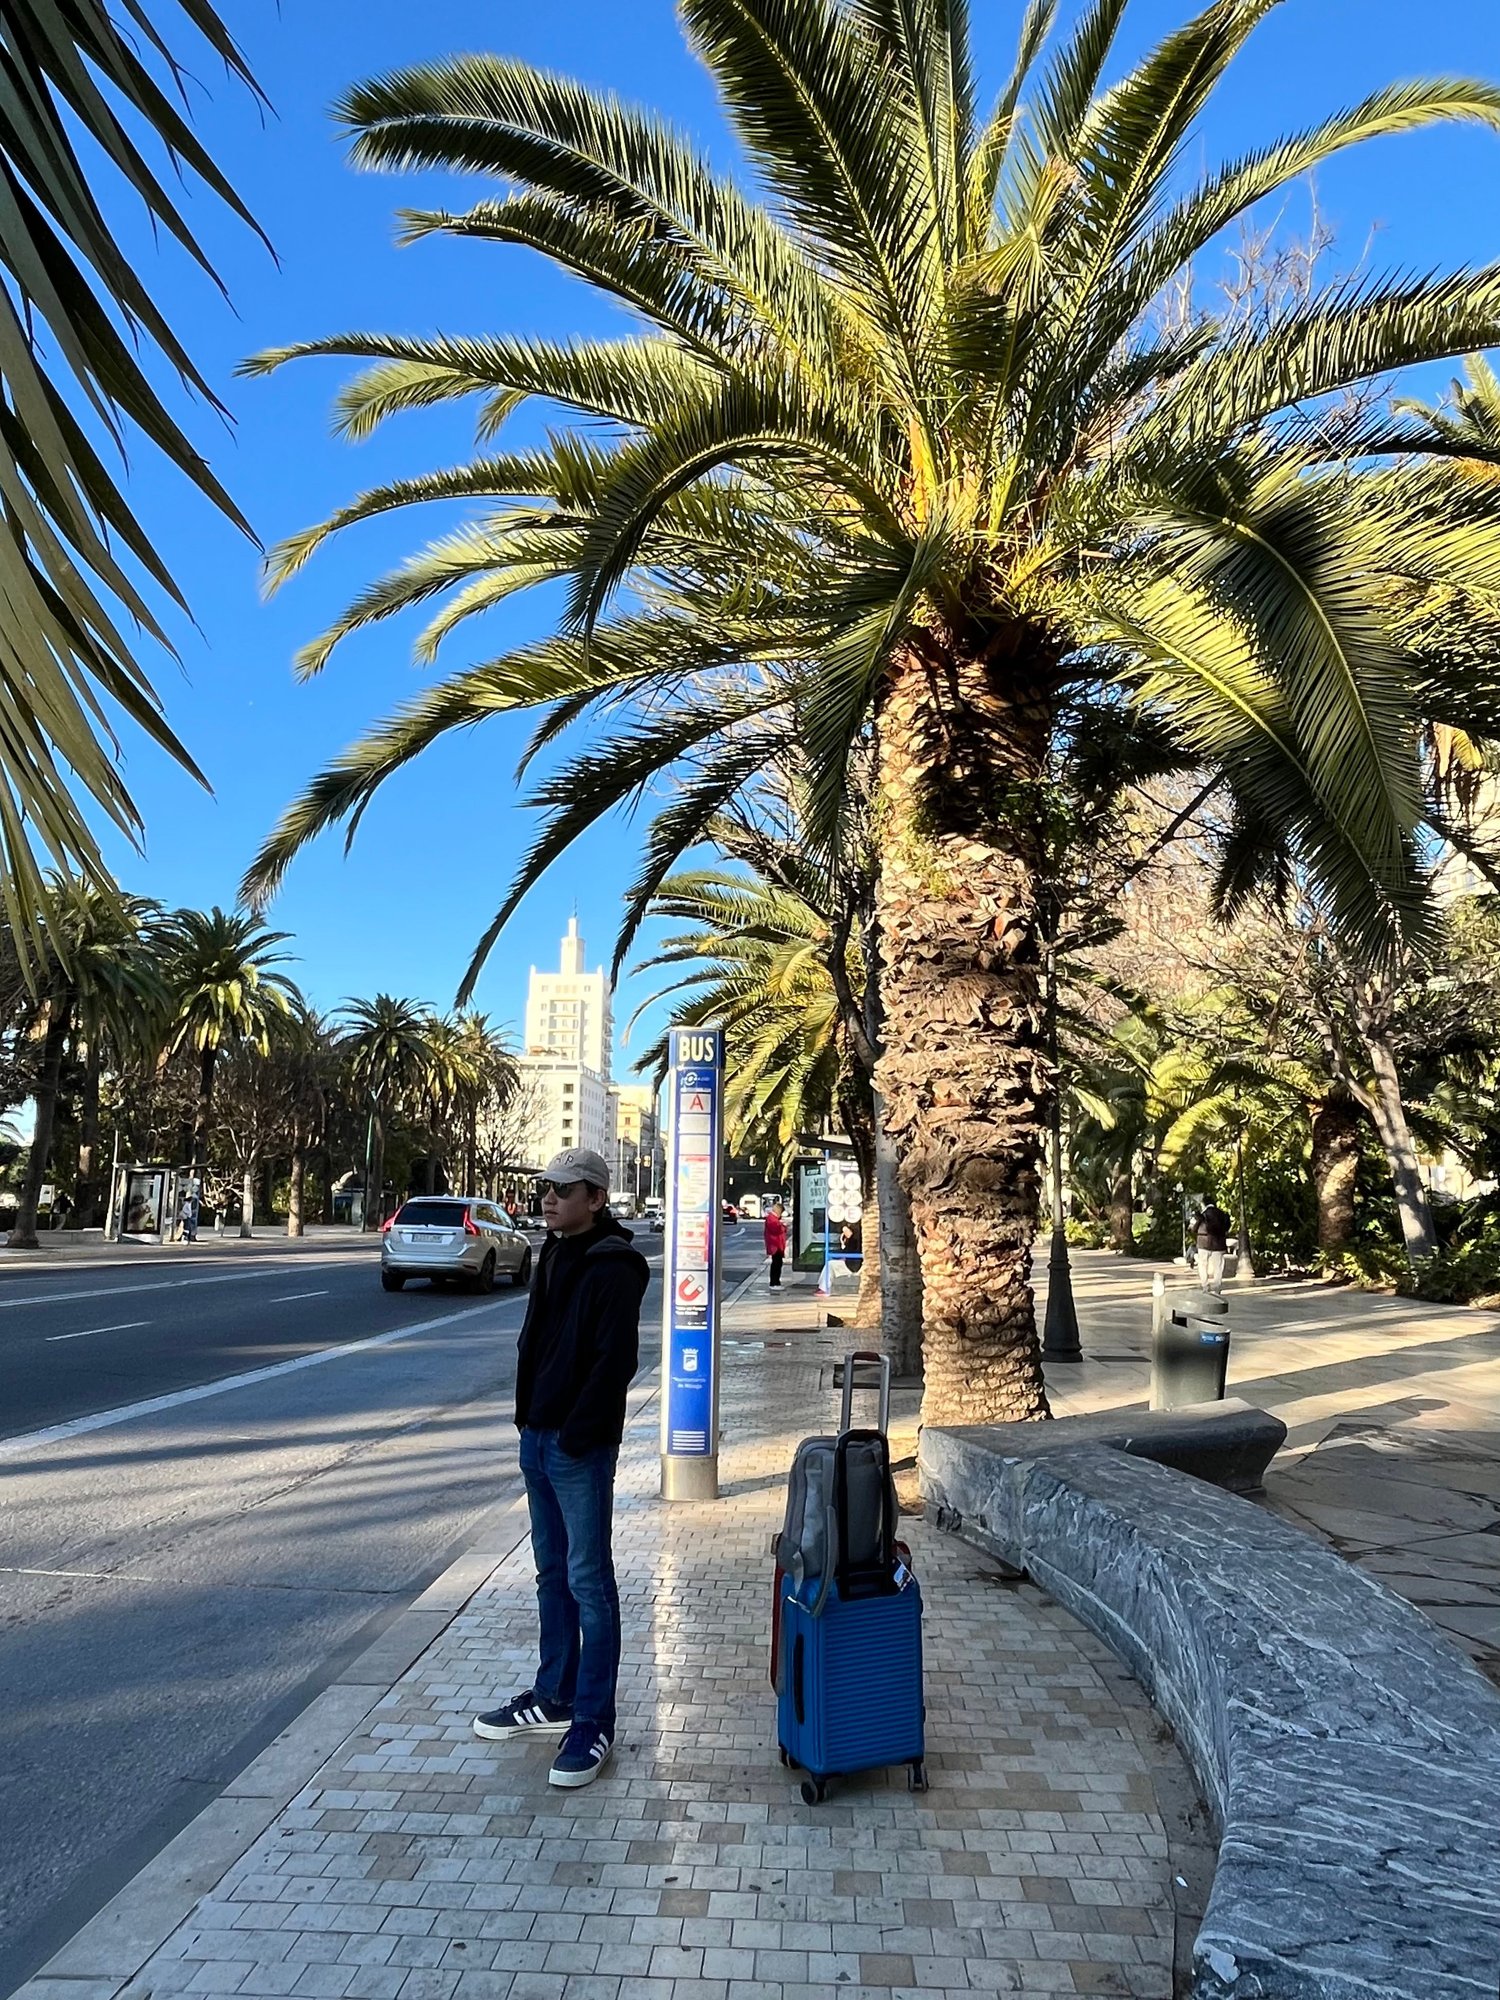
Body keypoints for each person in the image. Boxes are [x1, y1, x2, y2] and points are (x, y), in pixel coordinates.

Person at [473, 1146, 649, 1788]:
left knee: (588, 1579)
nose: (549, 1198)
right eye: (546, 1187)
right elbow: (537, 1342)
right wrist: (528, 1421)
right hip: (538, 1437)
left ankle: (594, 1718)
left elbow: (614, 1362)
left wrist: (575, 1434)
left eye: (565, 1189)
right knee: (550, 1571)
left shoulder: (616, 1264)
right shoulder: (552, 1250)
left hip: (577, 1445)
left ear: (596, 1198)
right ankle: (555, 1695)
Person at [1194, 1197, 1232, 1295]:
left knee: (1202, 1265)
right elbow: (1227, 1227)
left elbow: (1194, 1229)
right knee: (1218, 1267)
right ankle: (1217, 1287)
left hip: (1203, 1243)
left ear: (1204, 1204)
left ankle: (1205, 1286)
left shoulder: (1203, 1215)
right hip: (1219, 1244)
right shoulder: (1221, 1213)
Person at [763, 1197, 787, 1290]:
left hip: (776, 1244)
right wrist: (783, 1226)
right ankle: (774, 1282)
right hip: (775, 1245)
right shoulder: (772, 1219)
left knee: (778, 1263)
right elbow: (776, 1229)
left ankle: (776, 1281)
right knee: (776, 1264)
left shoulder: (772, 1218)